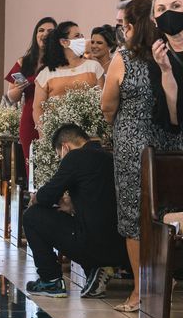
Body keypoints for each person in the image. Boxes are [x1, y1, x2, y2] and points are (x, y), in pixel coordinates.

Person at [102, 0, 183, 311]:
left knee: (134, 218)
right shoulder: (171, 55)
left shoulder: (124, 57)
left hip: (133, 148)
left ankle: (139, 292)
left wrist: (120, 123)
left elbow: (108, 105)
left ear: (132, 26)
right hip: (171, 147)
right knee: (167, 214)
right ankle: (166, 281)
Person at [23, 124, 130, 298]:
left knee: (32, 216)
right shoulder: (109, 156)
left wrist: (34, 197)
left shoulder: (75, 157)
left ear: (65, 147)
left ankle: (50, 280)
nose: (61, 159)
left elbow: (47, 196)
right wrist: (72, 205)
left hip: (93, 243)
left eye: (60, 156)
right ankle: (97, 270)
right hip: (121, 246)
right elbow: (101, 199)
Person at [5, 17, 57, 176]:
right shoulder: (23, 62)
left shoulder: (59, 61)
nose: (44, 33)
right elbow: (11, 96)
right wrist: (19, 88)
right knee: (32, 163)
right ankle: (35, 197)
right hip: (29, 119)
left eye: (50, 31)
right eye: (41, 30)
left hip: (53, 115)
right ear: (35, 35)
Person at [33, 21, 106, 132]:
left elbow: (103, 101)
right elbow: (38, 108)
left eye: (82, 35)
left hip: (90, 132)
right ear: (64, 42)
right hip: (58, 133)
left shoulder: (94, 67)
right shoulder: (46, 74)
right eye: (77, 36)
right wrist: (44, 135)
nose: (82, 39)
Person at [151, 0, 183, 132]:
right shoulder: (157, 57)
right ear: (155, 20)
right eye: (161, 9)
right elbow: (173, 118)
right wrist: (166, 70)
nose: (168, 13)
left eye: (176, 6)